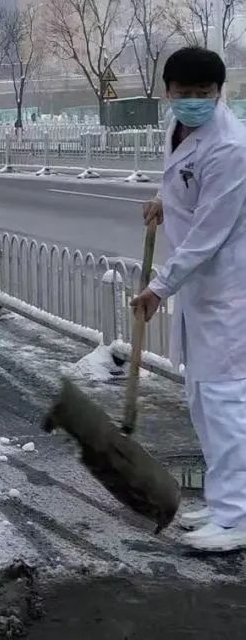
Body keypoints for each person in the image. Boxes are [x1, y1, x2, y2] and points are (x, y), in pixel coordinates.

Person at [131, 46, 246, 552]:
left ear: (220, 93)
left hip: (228, 289)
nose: (194, 102)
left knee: (225, 403)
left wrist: (160, 286)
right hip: (201, 288)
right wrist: (163, 199)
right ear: (168, 93)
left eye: (204, 95)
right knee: (202, 399)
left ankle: (238, 516)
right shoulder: (177, 128)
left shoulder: (230, 148)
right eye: (184, 95)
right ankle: (226, 503)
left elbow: (209, 232)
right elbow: (180, 179)